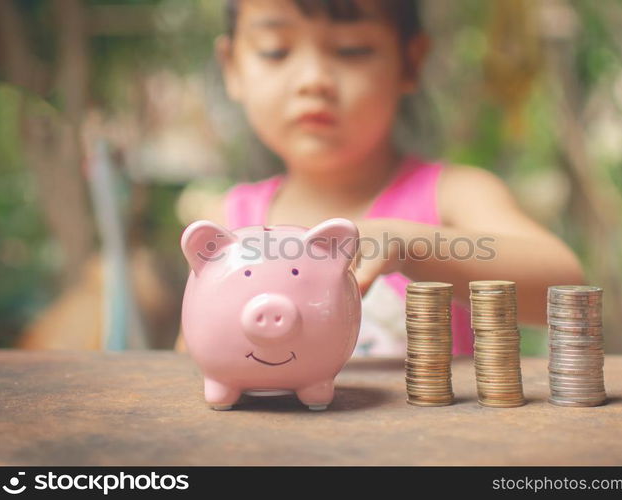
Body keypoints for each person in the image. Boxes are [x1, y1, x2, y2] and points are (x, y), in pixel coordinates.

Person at [176, 0, 584, 357]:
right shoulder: (228, 220)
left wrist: (410, 244)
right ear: (231, 67)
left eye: (352, 50)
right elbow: (190, 358)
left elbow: (564, 284)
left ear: (410, 61)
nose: (313, 79)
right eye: (276, 51)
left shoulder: (454, 196)